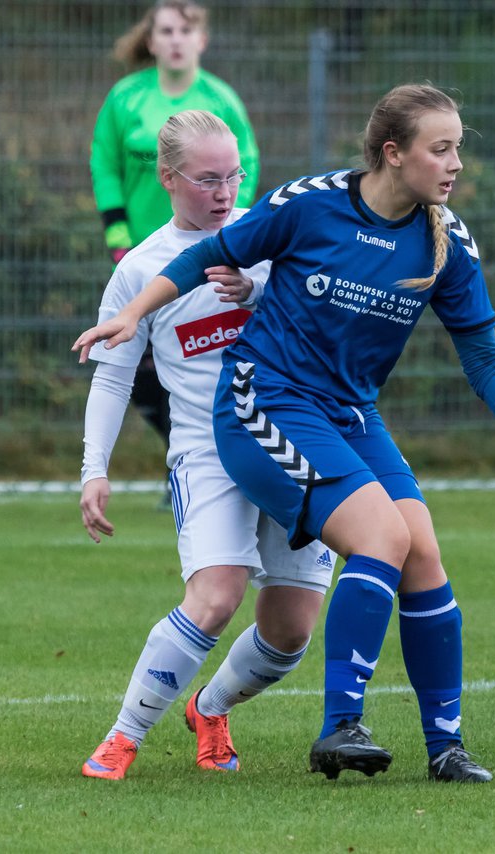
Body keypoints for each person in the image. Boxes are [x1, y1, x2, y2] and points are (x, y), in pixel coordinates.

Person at [75, 84, 495, 784]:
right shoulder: (305, 205)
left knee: (399, 565)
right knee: (244, 585)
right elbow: (198, 264)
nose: (456, 164)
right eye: (442, 149)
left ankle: (444, 747)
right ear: (394, 153)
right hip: (255, 408)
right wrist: (131, 331)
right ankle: (175, 734)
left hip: (346, 414)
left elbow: (480, 349)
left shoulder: (445, 237)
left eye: (232, 174)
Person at [79, 110, 333, 782]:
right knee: (216, 596)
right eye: (207, 179)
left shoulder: (272, 238)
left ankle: (210, 707)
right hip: (207, 453)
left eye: (235, 176)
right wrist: (92, 471)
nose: (225, 191)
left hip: (295, 442)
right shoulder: (141, 270)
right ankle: (122, 737)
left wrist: (260, 291)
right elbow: (111, 374)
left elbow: (328, 311)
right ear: (167, 178)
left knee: (291, 632)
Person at [89, 0, 261, 469]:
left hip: (215, 245)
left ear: (201, 40)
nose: (176, 40)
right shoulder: (126, 98)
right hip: (143, 249)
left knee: (224, 344)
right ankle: (186, 447)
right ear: (151, 40)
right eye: (166, 31)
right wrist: (118, 235)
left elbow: (247, 164)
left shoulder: (221, 98)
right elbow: (104, 164)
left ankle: (225, 444)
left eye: (186, 30)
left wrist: (243, 238)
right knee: (135, 362)